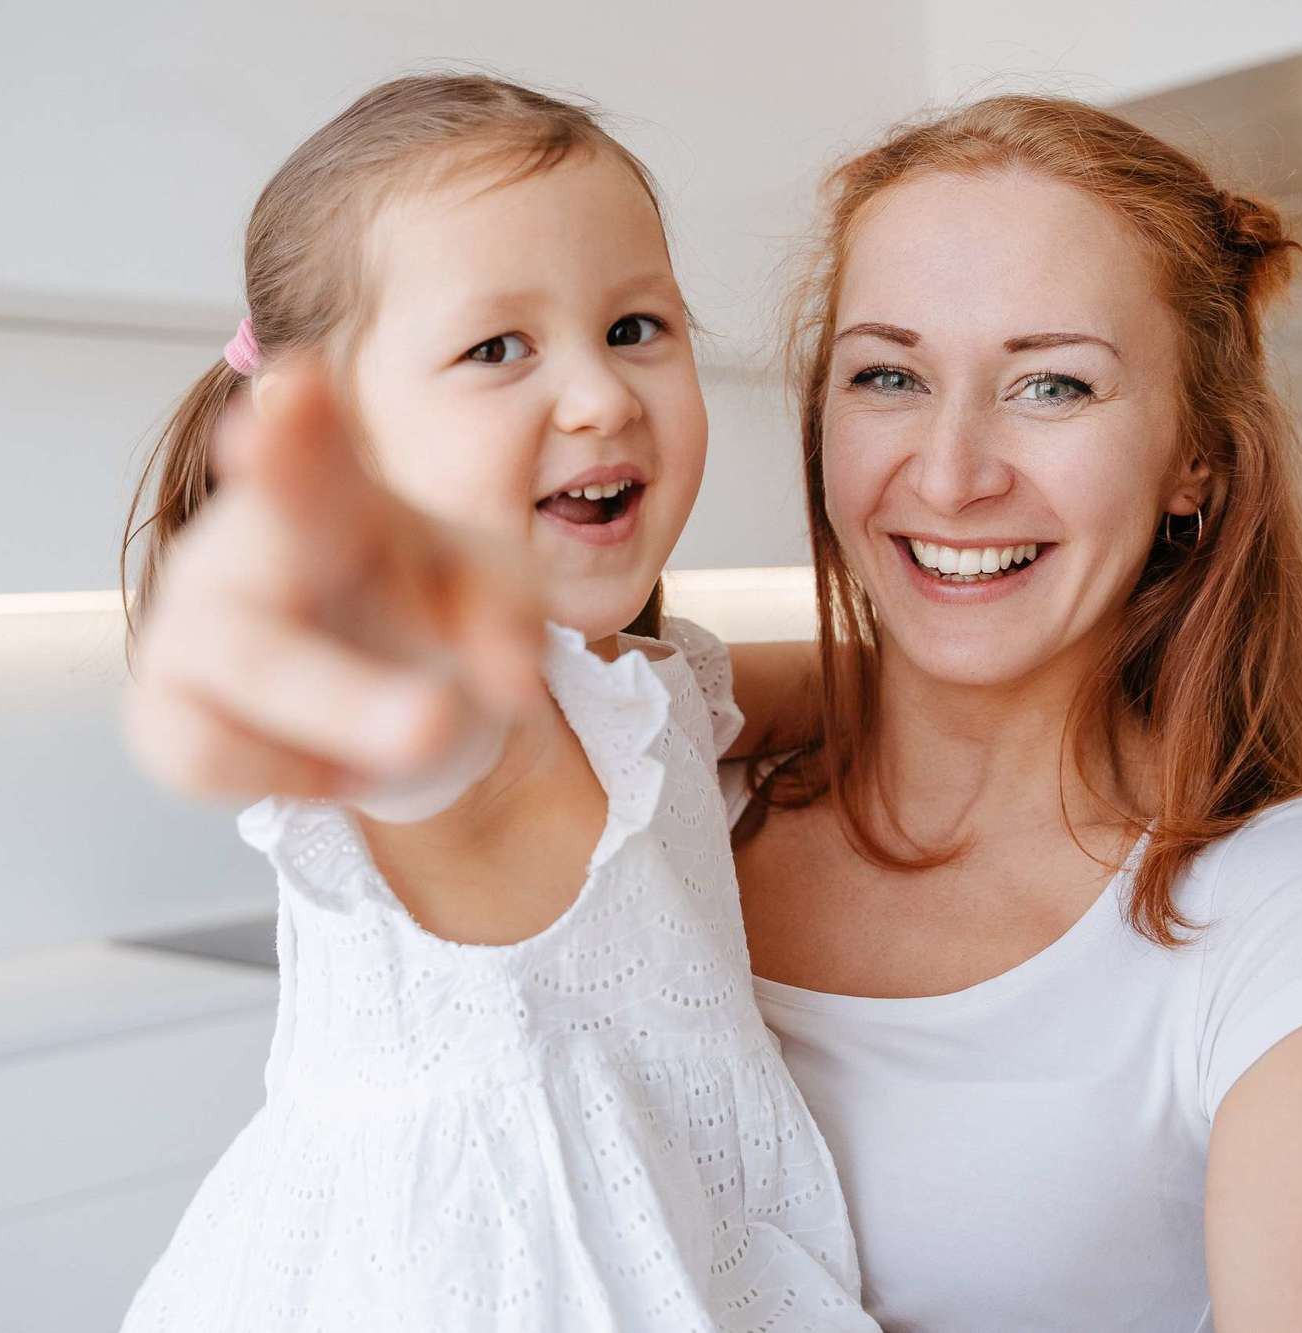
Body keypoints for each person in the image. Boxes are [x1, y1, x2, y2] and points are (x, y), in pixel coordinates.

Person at [123, 89, 1302, 1331]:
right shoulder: (642, 772)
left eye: (1053, 383)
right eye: (888, 374)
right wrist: (364, 674)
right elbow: (462, 744)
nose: (953, 471)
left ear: (1196, 457)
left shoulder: (1283, 915)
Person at [116, 74, 873, 1331]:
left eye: (636, 327)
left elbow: (828, 687)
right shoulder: (463, 713)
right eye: (496, 349)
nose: (599, 394)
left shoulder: (643, 681)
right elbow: (416, 736)